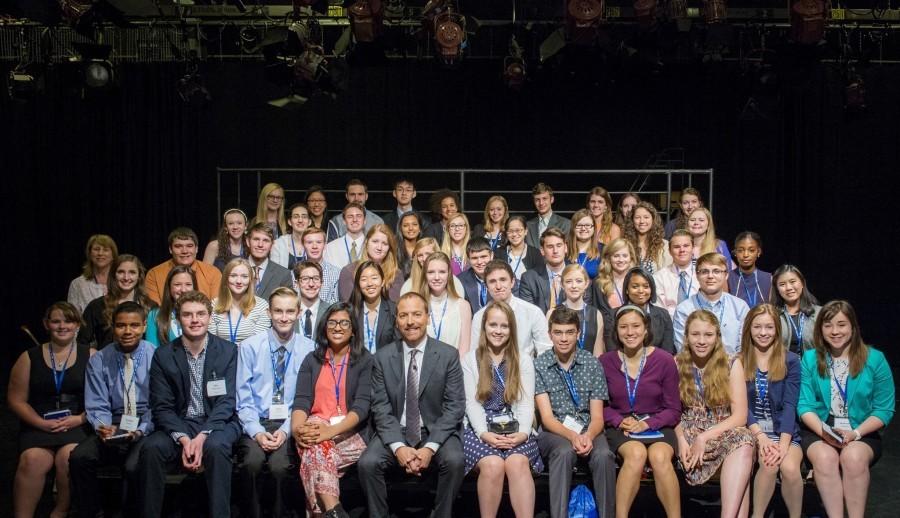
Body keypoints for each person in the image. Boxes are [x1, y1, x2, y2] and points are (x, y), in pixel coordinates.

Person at [358, 292, 466, 518]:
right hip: (396, 429)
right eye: (404, 315)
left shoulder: (448, 355)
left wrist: (429, 448)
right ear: (396, 320)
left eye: (417, 314)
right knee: (368, 463)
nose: (410, 322)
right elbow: (380, 408)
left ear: (427, 317)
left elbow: (454, 407)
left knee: (455, 460)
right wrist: (398, 447)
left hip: (435, 431)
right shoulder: (382, 358)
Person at [137, 290, 241, 518]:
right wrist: (185, 439)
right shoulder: (163, 355)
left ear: (209, 317)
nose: (195, 320)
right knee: (151, 448)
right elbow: (161, 406)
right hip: (179, 424)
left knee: (216, 447)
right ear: (177, 318)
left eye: (200, 314)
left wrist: (202, 436)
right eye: (188, 315)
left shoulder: (228, 351)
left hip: (217, 422)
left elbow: (227, 401)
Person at [798, 300, 895, 518]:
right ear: (820, 329)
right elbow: (804, 405)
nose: (835, 331)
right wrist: (824, 431)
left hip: (861, 430)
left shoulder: (875, 359)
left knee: (852, 458)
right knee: (824, 458)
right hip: (820, 428)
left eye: (841, 324)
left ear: (853, 327)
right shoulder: (811, 358)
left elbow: (884, 409)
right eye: (828, 325)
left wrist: (855, 434)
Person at [70, 302, 156, 518]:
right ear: (113, 326)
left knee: (133, 466)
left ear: (145, 326)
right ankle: (92, 513)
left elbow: (160, 404)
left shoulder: (156, 356)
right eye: (121, 325)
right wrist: (104, 428)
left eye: (134, 325)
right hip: (113, 421)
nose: (128, 331)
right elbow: (97, 401)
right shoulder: (99, 359)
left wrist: (139, 431)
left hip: (145, 423)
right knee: (80, 457)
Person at [237, 287, 315, 518]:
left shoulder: (309, 349)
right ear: (269, 312)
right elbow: (243, 398)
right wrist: (257, 432)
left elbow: (307, 400)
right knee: (251, 463)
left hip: (291, 423)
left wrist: (285, 430)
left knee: (280, 467)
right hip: (257, 422)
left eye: (290, 311)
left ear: (299, 313)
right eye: (278, 311)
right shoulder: (250, 346)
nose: (284, 317)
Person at [9, 302, 91, 518]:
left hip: (77, 423)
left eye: (68, 321)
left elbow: (102, 398)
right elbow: (16, 400)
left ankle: (60, 511)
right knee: (32, 459)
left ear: (77, 325)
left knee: (68, 457)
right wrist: (40, 423)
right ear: (46, 324)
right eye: (56, 321)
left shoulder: (91, 355)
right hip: (38, 423)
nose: (62, 326)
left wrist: (80, 419)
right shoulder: (29, 357)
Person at [292, 302, 374, 518]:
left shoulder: (364, 360)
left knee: (316, 453)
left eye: (344, 323)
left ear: (354, 330)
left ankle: (328, 512)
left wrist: (329, 432)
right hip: (315, 426)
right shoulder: (312, 360)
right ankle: (335, 511)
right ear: (324, 327)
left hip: (352, 431)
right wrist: (297, 430)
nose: (338, 327)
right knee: (315, 446)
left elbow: (362, 407)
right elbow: (301, 401)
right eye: (332, 322)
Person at [461, 301, 542, 518]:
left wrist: (523, 433)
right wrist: (484, 434)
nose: (498, 331)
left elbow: (525, 403)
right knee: (493, 464)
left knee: (517, 462)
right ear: (484, 327)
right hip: (481, 427)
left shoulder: (523, 360)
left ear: (511, 329)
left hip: (516, 425)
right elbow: (472, 404)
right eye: (493, 325)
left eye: (504, 326)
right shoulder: (470, 360)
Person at [600, 305, 681, 518]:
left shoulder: (664, 360)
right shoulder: (605, 362)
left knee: (660, 456)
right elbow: (600, 406)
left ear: (646, 329)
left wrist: (647, 424)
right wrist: (618, 421)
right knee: (636, 454)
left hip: (657, 425)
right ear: (616, 331)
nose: (630, 332)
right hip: (623, 427)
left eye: (636, 326)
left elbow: (673, 409)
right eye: (623, 327)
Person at [534, 307, 616, 518]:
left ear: (578, 333)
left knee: (603, 455)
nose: (563, 338)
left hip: (589, 428)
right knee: (564, 452)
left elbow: (597, 417)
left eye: (569, 332)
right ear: (550, 333)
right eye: (558, 332)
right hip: (555, 431)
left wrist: (587, 436)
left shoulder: (591, 363)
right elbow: (547, 418)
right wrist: (573, 436)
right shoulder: (540, 364)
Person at [674, 310, 754, 518]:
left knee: (744, 441)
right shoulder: (675, 363)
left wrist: (705, 436)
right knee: (742, 455)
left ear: (717, 337)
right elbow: (671, 411)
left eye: (708, 335)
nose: (701, 341)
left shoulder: (731, 363)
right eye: (695, 334)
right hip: (687, 435)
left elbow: (740, 416)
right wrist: (681, 439)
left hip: (720, 431)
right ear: (687, 337)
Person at [739, 304, 803, 518]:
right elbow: (740, 406)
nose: (763, 333)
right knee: (769, 464)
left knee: (791, 468)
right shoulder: (738, 361)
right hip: (751, 430)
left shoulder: (791, 360)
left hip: (782, 431)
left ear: (777, 329)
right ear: (749, 329)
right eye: (757, 327)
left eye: (769, 327)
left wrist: (783, 445)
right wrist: (761, 437)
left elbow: (790, 405)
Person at [471, 261, 552, 358]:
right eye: (492, 281)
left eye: (503, 280)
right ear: (486, 287)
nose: (498, 286)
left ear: (512, 282)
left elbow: (546, 351)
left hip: (525, 371)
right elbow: (475, 354)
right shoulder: (479, 317)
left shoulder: (533, 312)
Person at [674, 253, 750, 355]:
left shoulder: (740, 307)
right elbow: (683, 350)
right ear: (697, 275)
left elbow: (744, 349)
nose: (710, 276)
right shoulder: (684, 309)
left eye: (716, 271)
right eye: (704, 271)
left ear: (726, 275)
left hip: (732, 367)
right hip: (696, 369)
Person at [79, 254, 156, 350]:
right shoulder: (97, 306)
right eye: (121, 272)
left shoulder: (151, 306)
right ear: (113, 275)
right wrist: (90, 352)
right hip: (106, 363)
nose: (126, 277)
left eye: (132, 272)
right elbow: (81, 342)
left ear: (139, 276)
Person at [145, 227, 223, 304]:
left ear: (196, 249)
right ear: (170, 249)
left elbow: (216, 308)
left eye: (189, 246)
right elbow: (155, 311)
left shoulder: (213, 272)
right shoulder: (154, 274)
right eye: (178, 246)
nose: (184, 251)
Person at [418, 252, 473, 355]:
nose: (437, 277)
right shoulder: (417, 305)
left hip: (453, 369)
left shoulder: (463, 306)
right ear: (425, 275)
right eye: (431, 272)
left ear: (449, 275)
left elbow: (464, 350)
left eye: (442, 272)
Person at [210, 258, 271, 345]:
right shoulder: (215, 304)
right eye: (233, 276)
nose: (239, 281)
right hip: (221, 356)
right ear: (226, 279)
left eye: (244, 276)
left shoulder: (261, 306)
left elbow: (259, 343)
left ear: (250, 280)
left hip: (250, 356)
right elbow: (211, 341)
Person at [337, 224, 405, 302]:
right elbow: (348, 305)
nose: (379, 247)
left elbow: (394, 305)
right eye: (375, 241)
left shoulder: (396, 274)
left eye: (385, 244)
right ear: (366, 242)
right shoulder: (349, 271)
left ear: (389, 248)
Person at [619, 267, 675, 354]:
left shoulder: (663, 315)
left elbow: (668, 351)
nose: (641, 291)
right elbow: (613, 350)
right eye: (635, 287)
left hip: (657, 365)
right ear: (626, 289)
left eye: (646, 286)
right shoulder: (612, 315)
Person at [552, 264, 605, 356]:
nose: (574, 286)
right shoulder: (553, 313)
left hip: (589, 368)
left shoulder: (596, 314)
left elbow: (598, 353)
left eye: (579, 281)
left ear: (586, 283)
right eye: (568, 281)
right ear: (562, 285)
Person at [350, 261, 399, 353]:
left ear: (383, 281)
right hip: (358, 365)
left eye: (374, 278)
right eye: (364, 279)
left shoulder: (394, 310)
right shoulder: (351, 311)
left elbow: (398, 346)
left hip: (385, 365)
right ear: (358, 284)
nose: (370, 283)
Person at [770, 264, 820, 354]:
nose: (788, 288)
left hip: (813, 366)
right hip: (783, 367)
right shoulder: (772, 315)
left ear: (802, 283)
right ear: (777, 289)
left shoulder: (819, 313)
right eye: (782, 284)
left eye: (792, 282)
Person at [519, 228, 569, 314]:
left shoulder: (579, 275)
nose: (555, 251)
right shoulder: (529, 278)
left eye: (559, 245)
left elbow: (583, 311)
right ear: (542, 251)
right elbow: (528, 314)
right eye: (550, 247)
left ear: (565, 248)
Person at [145, 265, 196, 347]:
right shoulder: (155, 315)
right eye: (177, 284)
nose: (183, 289)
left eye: (188, 284)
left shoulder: (202, 314)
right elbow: (152, 352)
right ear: (169, 287)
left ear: (194, 287)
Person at [653, 230, 699, 318]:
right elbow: (660, 312)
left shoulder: (702, 275)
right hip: (670, 326)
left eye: (686, 246)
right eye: (677, 247)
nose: (682, 250)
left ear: (693, 248)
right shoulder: (659, 277)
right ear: (670, 251)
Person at [67, 234, 118, 314]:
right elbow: (73, 317)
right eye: (96, 249)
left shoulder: (122, 281)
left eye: (105, 250)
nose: (100, 253)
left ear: (113, 255)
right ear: (90, 254)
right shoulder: (77, 284)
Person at [246, 222, 294, 301]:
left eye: (266, 240)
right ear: (248, 242)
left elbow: (287, 306)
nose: (260, 245)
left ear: (272, 244)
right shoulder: (234, 269)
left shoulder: (283, 274)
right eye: (256, 239)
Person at [622, 201, 672, 274]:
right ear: (632, 220)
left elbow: (668, 275)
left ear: (653, 219)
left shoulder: (665, 245)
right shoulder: (624, 245)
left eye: (646, 217)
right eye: (637, 217)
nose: (642, 221)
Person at [728, 231, 771, 309]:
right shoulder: (728, 278)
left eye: (751, 250)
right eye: (740, 250)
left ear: (758, 252)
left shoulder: (768, 278)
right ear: (735, 253)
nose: (746, 255)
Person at [494, 215, 544, 281]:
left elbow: (539, 280)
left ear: (526, 231)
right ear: (506, 233)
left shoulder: (535, 253)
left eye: (518, 230)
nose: (514, 234)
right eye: (510, 231)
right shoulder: (498, 253)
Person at [592, 238, 638, 311]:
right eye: (616, 256)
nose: (621, 260)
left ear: (631, 258)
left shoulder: (638, 280)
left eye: (625, 256)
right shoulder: (598, 283)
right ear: (608, 258)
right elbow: (595, 312)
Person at [300, 226, 340, 304]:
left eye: (319, 242)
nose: (314, 246)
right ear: (303, 245)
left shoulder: (336, 274)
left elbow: (335, 306)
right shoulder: (294, 273)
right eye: (309, 242)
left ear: (325, 245)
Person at [525, 182, 571, 249]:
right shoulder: (527, 226)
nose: (541, 203)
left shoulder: (566, 224)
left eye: (544, 198)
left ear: (552, 199)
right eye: (537, 200)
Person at [323, 202, 368, 270]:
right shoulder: (331, 247)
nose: (354, 220)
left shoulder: (371, 246)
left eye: (358, 216)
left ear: (364, 221)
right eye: (350, 216)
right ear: (344, 221)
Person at [457, 238, 495, 315]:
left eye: (483, 257)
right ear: (468, 260)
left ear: (491, 256)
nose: (479, 262)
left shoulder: (503, 277)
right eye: (474, 258)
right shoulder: (460, 280)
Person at [294, 261, 330, 341]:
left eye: (316, 279)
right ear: (296, 283)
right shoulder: (288, 311)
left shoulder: (331, 311)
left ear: (322, 283)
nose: (311, 284)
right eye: (305, 279)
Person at [271, 202, 312, 271]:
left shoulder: (316, 243)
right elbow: (274, 273)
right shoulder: (278, 244)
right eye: (296, 216)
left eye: (304, 217)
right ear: (290, 221)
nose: (300, 220)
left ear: (309, 222)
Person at [565, 209, 603, 280]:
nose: (583, 228)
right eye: (579, 225)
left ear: (594, 228)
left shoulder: (603, 250)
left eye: (587, 225)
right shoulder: (564, 248)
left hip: (593, 290)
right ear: (573, 228)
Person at [397, 211, 422, 277]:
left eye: (414, 224)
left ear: (420, 228)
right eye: (406, 225)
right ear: (400, 229)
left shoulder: (425, 249)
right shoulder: (394, 250)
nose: (411, 228)